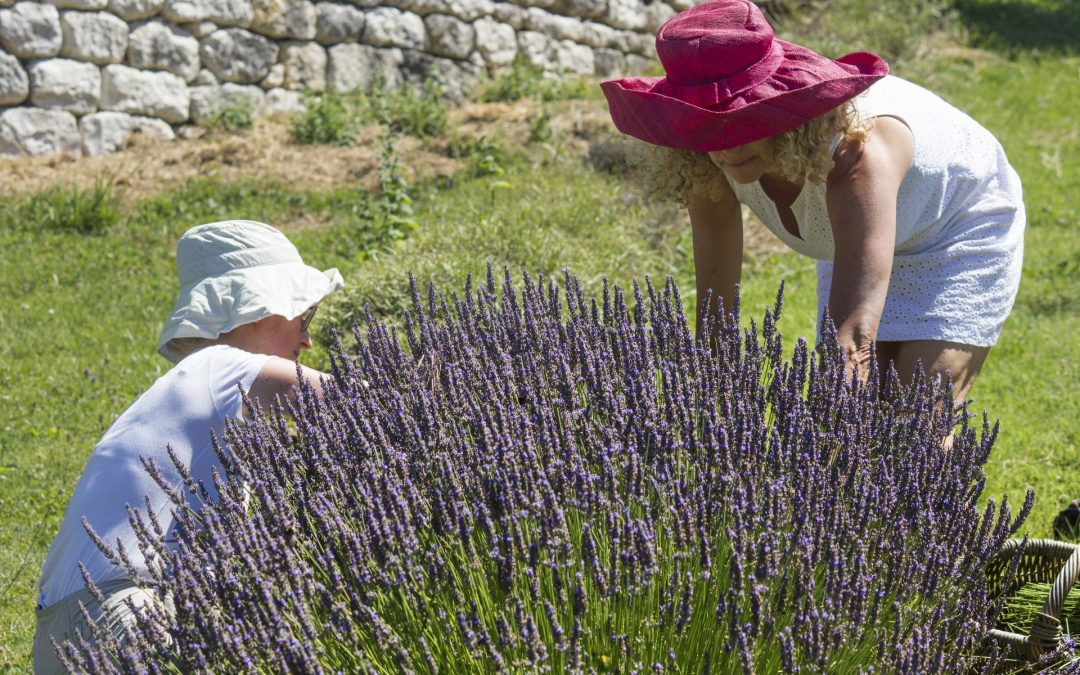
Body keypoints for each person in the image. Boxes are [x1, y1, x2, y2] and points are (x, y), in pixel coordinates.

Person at [600, 0, 1024, 402]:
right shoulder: (708, 160)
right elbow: (716, 313)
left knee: (917, 420)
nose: (725, 147)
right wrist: (711, 396)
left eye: (742, 122)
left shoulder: (856, 155)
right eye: (706, 128)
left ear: (780, 113)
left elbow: (852, 333)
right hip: (865, 232)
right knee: (867, 411)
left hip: (957, 221)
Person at [33, 219, 344, 673]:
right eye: (303, 315)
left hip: (68, 631)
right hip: (123, 613)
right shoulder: (221, 368)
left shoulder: (197, 390)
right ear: (257, 309)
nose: (307, 338)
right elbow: (363, 402)